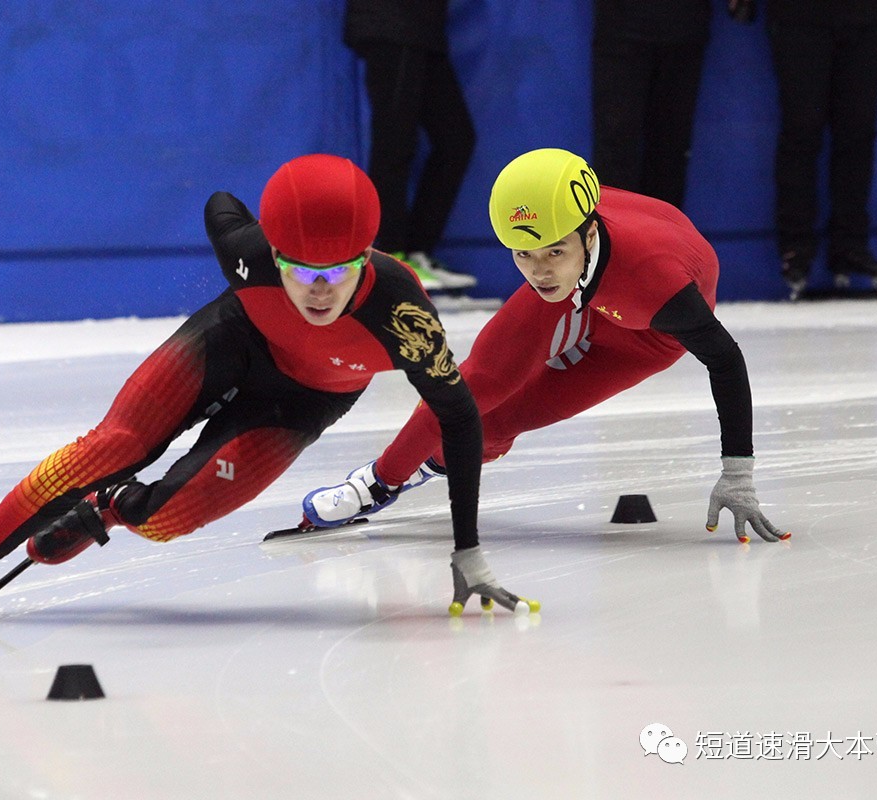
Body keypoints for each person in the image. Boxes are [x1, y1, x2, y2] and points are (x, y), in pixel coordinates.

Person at [0, 154, 535, 625]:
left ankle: (111, 513)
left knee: (168, 520)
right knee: (113, 444)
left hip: (300, 400)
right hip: (233, 337)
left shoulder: (403, 319)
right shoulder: (245, 250)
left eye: (341, 269)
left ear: (368, 257)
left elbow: (460, 420)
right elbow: (221, 204)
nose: (322, 290)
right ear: (273, 253)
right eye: (301, 269)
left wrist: (468, 550)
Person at [302, 148, 790, 547]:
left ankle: (426, 466)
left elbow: (725, 360)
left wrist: (737, 473)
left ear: (589, 232)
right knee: (476, 392)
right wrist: (381, 479)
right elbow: (466, 385)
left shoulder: (657, 284)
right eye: (523, 256)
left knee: (503, 421)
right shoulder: (553, 256)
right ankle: (379, 482)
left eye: (554, 251)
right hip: (588, 289)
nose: (539, 271)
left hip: (643, 334)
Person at [759, 0, 877, 297]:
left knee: (857, 132)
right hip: (798, 17)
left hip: (866, 16)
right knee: (802, 130)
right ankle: (796, 247)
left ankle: (850, 245)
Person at [344, 0, 478, 294]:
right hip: (390, 22)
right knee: (394, 144)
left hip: (424, 28)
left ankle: (416, 253)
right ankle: (392, 261)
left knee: (456, 139)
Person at [591, 0, 715, 210]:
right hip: (622, 22)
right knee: (618, 147)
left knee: (669, 151)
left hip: (683, 24)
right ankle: (614, 239)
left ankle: (663, 239)